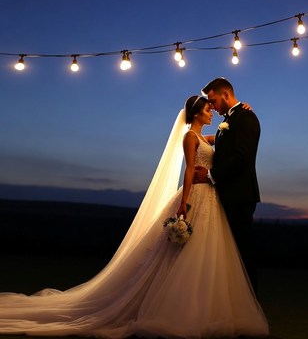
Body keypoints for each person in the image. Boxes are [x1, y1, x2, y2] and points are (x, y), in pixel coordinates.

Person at [0, 95, 269, 339]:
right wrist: (184, 203)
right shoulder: (190, 138)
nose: (212, 112)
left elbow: (228, 140)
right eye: (208, 109)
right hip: (196, 196)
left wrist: (241, 111)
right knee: (185, 254)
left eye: (213, 107)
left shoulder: (206, 138)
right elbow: (188, 171)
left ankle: (208, 308)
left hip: (211, 197)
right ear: (197, 114)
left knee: (210, 254)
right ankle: (177, 310)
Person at [194, 77, 261, 293]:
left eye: (213, 101)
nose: (211, 106)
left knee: (242, 253)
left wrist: (209, 175)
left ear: (225, 94)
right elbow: (224, 141)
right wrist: (195, 136)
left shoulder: (246, 118)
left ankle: (249, 303)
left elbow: (243, 157)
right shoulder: (230, 121)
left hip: (240, 197)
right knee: (229, 255)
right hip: (228, 195)